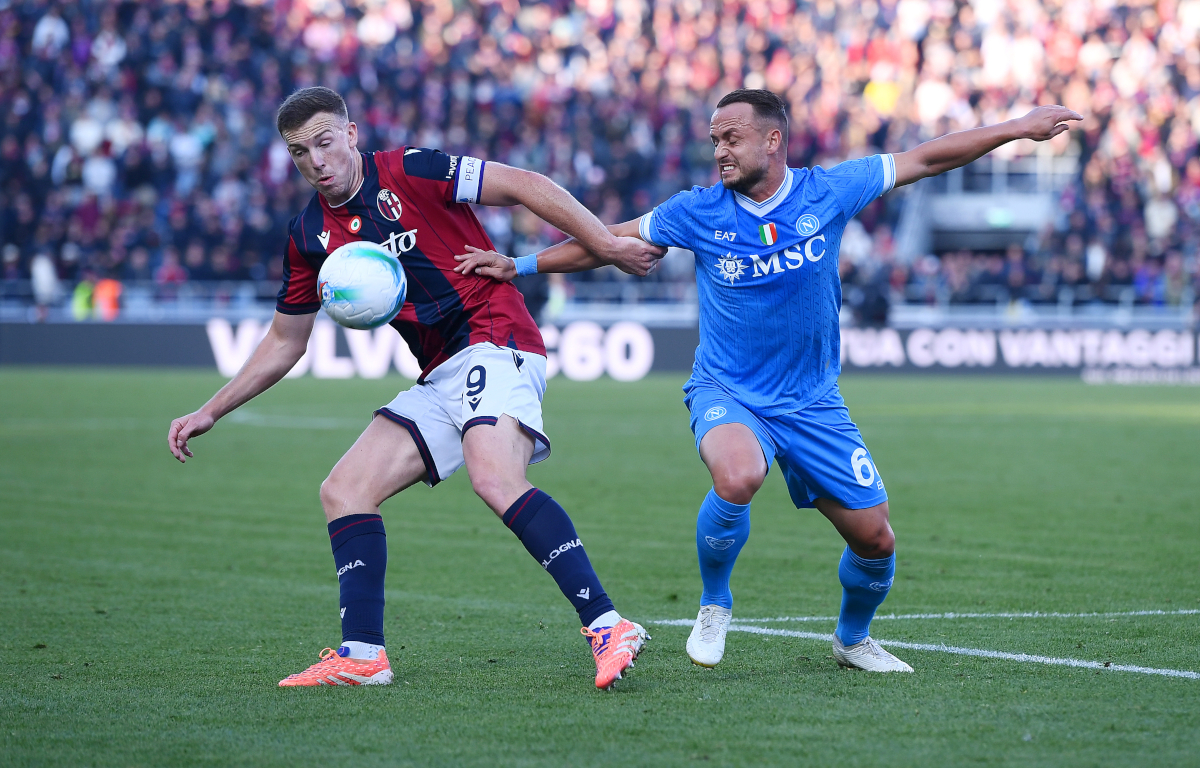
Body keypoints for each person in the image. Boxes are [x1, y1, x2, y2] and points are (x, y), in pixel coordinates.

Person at [454, 89, 1081, 672]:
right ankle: (715, 603)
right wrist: (522, 266)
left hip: (812, 401)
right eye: (714, 140)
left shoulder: (829, 191)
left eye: (731, 138)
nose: (720, 151)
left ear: (773, 140)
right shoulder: (698, 211)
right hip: (727, 389)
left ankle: (852, 639)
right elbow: (605, 240)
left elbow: (926, 158)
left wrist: (1017, 130)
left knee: (877, 540)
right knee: (739, 473)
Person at [166, 86, 664, 689]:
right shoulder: (308, 237)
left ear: (351, 135)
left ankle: (608, 623)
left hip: (495, 334)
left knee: (494, 477)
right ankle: (362, 656)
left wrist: (605, 245)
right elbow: (284, 340)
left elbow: (523, 183)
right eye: (300, 152)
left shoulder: (409, 169)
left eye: (325, 143)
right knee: (344, 489)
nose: (316, 161)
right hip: (439, 371)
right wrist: (211, 410)